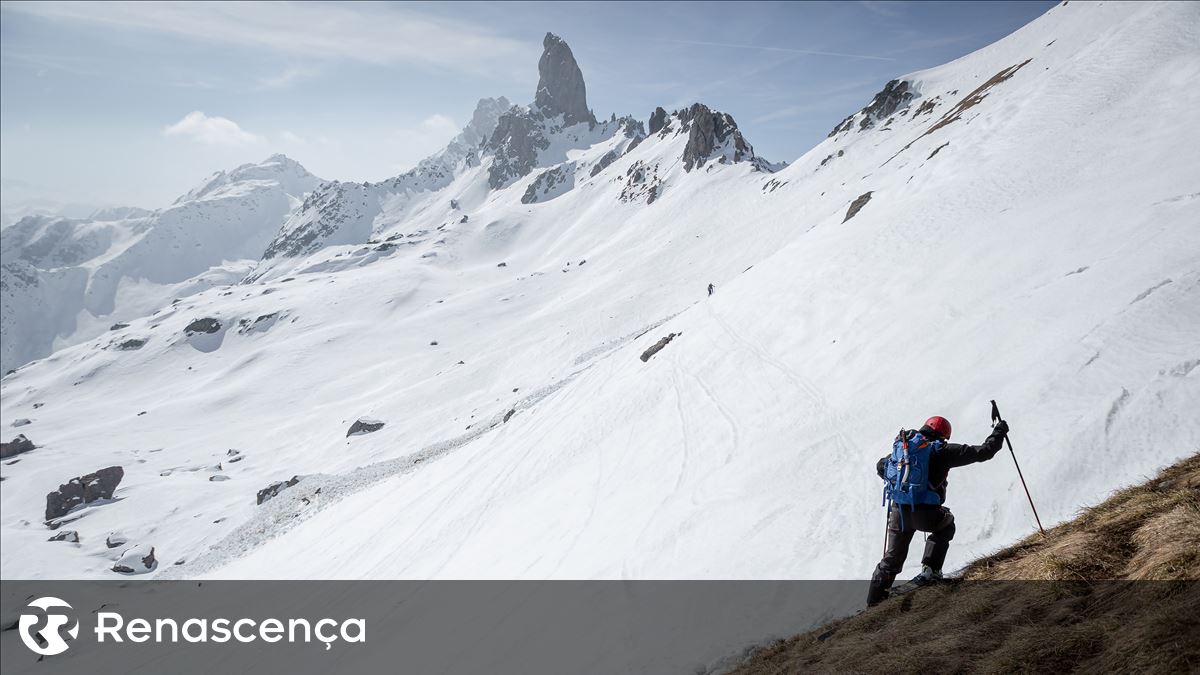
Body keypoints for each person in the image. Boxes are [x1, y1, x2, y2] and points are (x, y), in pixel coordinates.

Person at [866, 415, 1009, 606]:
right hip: (925, 514)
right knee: (946, 525)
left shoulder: (903, 448)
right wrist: (999, 431)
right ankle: (931, 571)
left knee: (891, 560)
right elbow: (984, 452)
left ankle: (874, 602)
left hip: (898, 512)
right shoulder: (941, 450)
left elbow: (880, 466)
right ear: (943, 436)